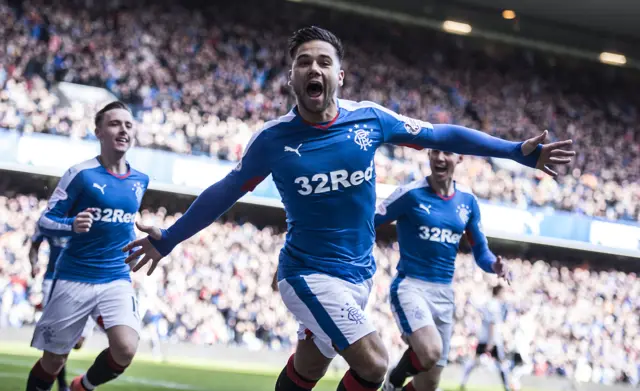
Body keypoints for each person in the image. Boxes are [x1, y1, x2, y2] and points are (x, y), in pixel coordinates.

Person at [123, 26, 574, 391]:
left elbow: (440, 135)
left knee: (309, 369)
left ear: (341, 76)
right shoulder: (273, 140)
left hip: (359, 275)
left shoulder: (370, 120)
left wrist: (515, 151)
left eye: (324, 61)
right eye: (303, 62)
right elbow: (226, 190)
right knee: (375, 365)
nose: (313, 68)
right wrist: (172, 238)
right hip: (307, 273)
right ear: (291, 78)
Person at [26, 101, 149, 391]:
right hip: (74, 277)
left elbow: (123, 221)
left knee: (126, 348)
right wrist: (71, 225)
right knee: (54, 361)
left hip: (116, 277)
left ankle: (82, 387)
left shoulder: (140, 180)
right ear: (99, 132)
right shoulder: (80, 174)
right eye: (115, 123)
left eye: (128, 125)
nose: (123, 130)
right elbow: (45, 220)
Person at [373, 149, 510, 391]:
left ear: (460, 158)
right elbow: (369, 221)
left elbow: (481, 250)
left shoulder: (468, 201)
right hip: (411, 286)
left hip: (444, 294)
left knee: (428, 385)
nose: (439, 157)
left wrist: (494, 265)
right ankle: (392, 381)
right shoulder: (410, 194)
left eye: (447, 152)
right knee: (430, 351)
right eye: (434, 151)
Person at [29, 224, 97, 391]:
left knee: (77, 343)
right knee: (55, 341)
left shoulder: (89, 218)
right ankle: (62, 385)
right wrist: (34, 264)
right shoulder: (51, 218)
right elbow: (34, 244)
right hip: (52, 280)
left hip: (82, 281)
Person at [459, 285, 511, 391]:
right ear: (499, 292)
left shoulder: (488, 303)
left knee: (474, 361)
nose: (505, 295)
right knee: (501, 363)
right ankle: (507, 387)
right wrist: (491, 342)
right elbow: (492, 323)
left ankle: (462, 382)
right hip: (492, 340)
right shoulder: (495, 305)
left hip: (484, 338)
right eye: (503, 292)